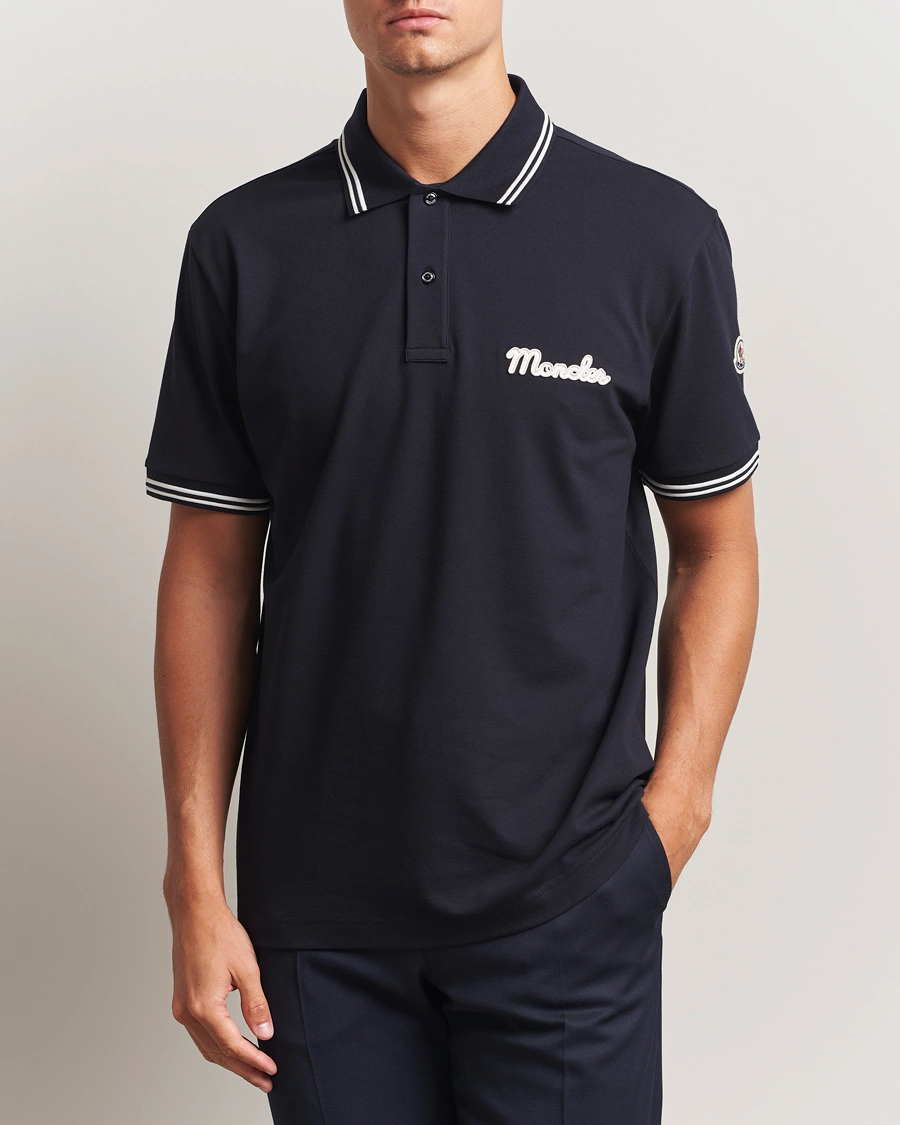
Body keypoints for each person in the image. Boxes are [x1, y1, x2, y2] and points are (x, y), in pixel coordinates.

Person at [145, 1, 760, 1121]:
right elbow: (210, 573)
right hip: (314, 923)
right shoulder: (243, 244)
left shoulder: (656, 234)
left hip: (570, 900)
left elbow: (715, 545)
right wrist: (193, 875)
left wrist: (675, 816)